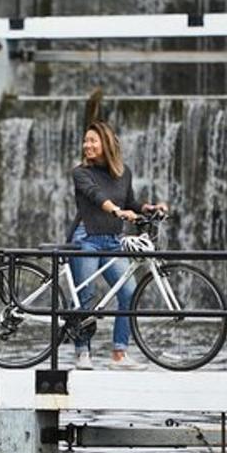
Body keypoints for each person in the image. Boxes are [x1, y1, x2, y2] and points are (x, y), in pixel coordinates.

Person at [68, 121, 167, 371]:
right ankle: (82, 352)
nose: (87, 145)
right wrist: (117, 211)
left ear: (107, 144)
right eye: (86, 141)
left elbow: (130, 201)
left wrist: (149, 208)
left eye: (93, 141)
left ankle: (119, 354)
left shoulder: (124, 173)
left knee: (129, 294)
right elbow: (95, 196)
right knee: (86, 297)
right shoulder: (80, 172)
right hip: (86, 239)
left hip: (112, 241)